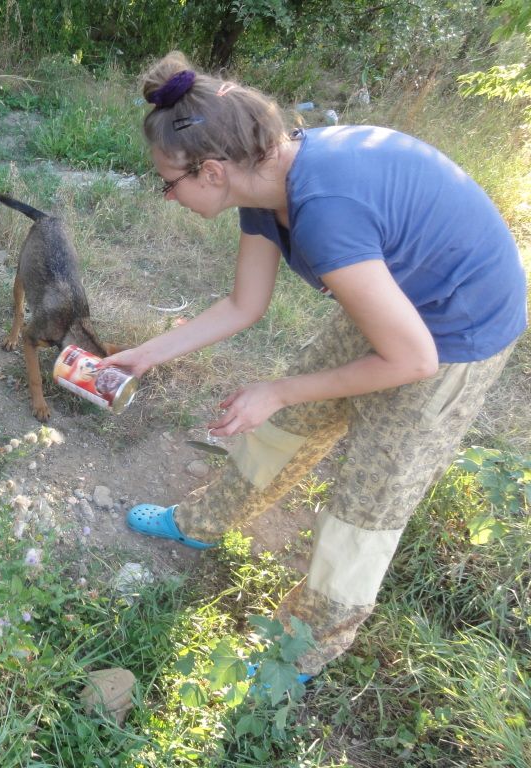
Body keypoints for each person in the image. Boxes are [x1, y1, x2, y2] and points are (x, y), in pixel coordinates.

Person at [101, 51, 528, 678]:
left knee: (367, 506)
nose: (167, 196)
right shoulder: (264, 179)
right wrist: (146, 354)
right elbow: (243, 304)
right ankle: (205, 521)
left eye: (169, 182)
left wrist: (277, 387)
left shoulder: (325, 210)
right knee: (290, 420)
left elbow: (413, 358)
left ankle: (299, 650)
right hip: (393, 298)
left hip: (456, 331)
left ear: (212, 171)